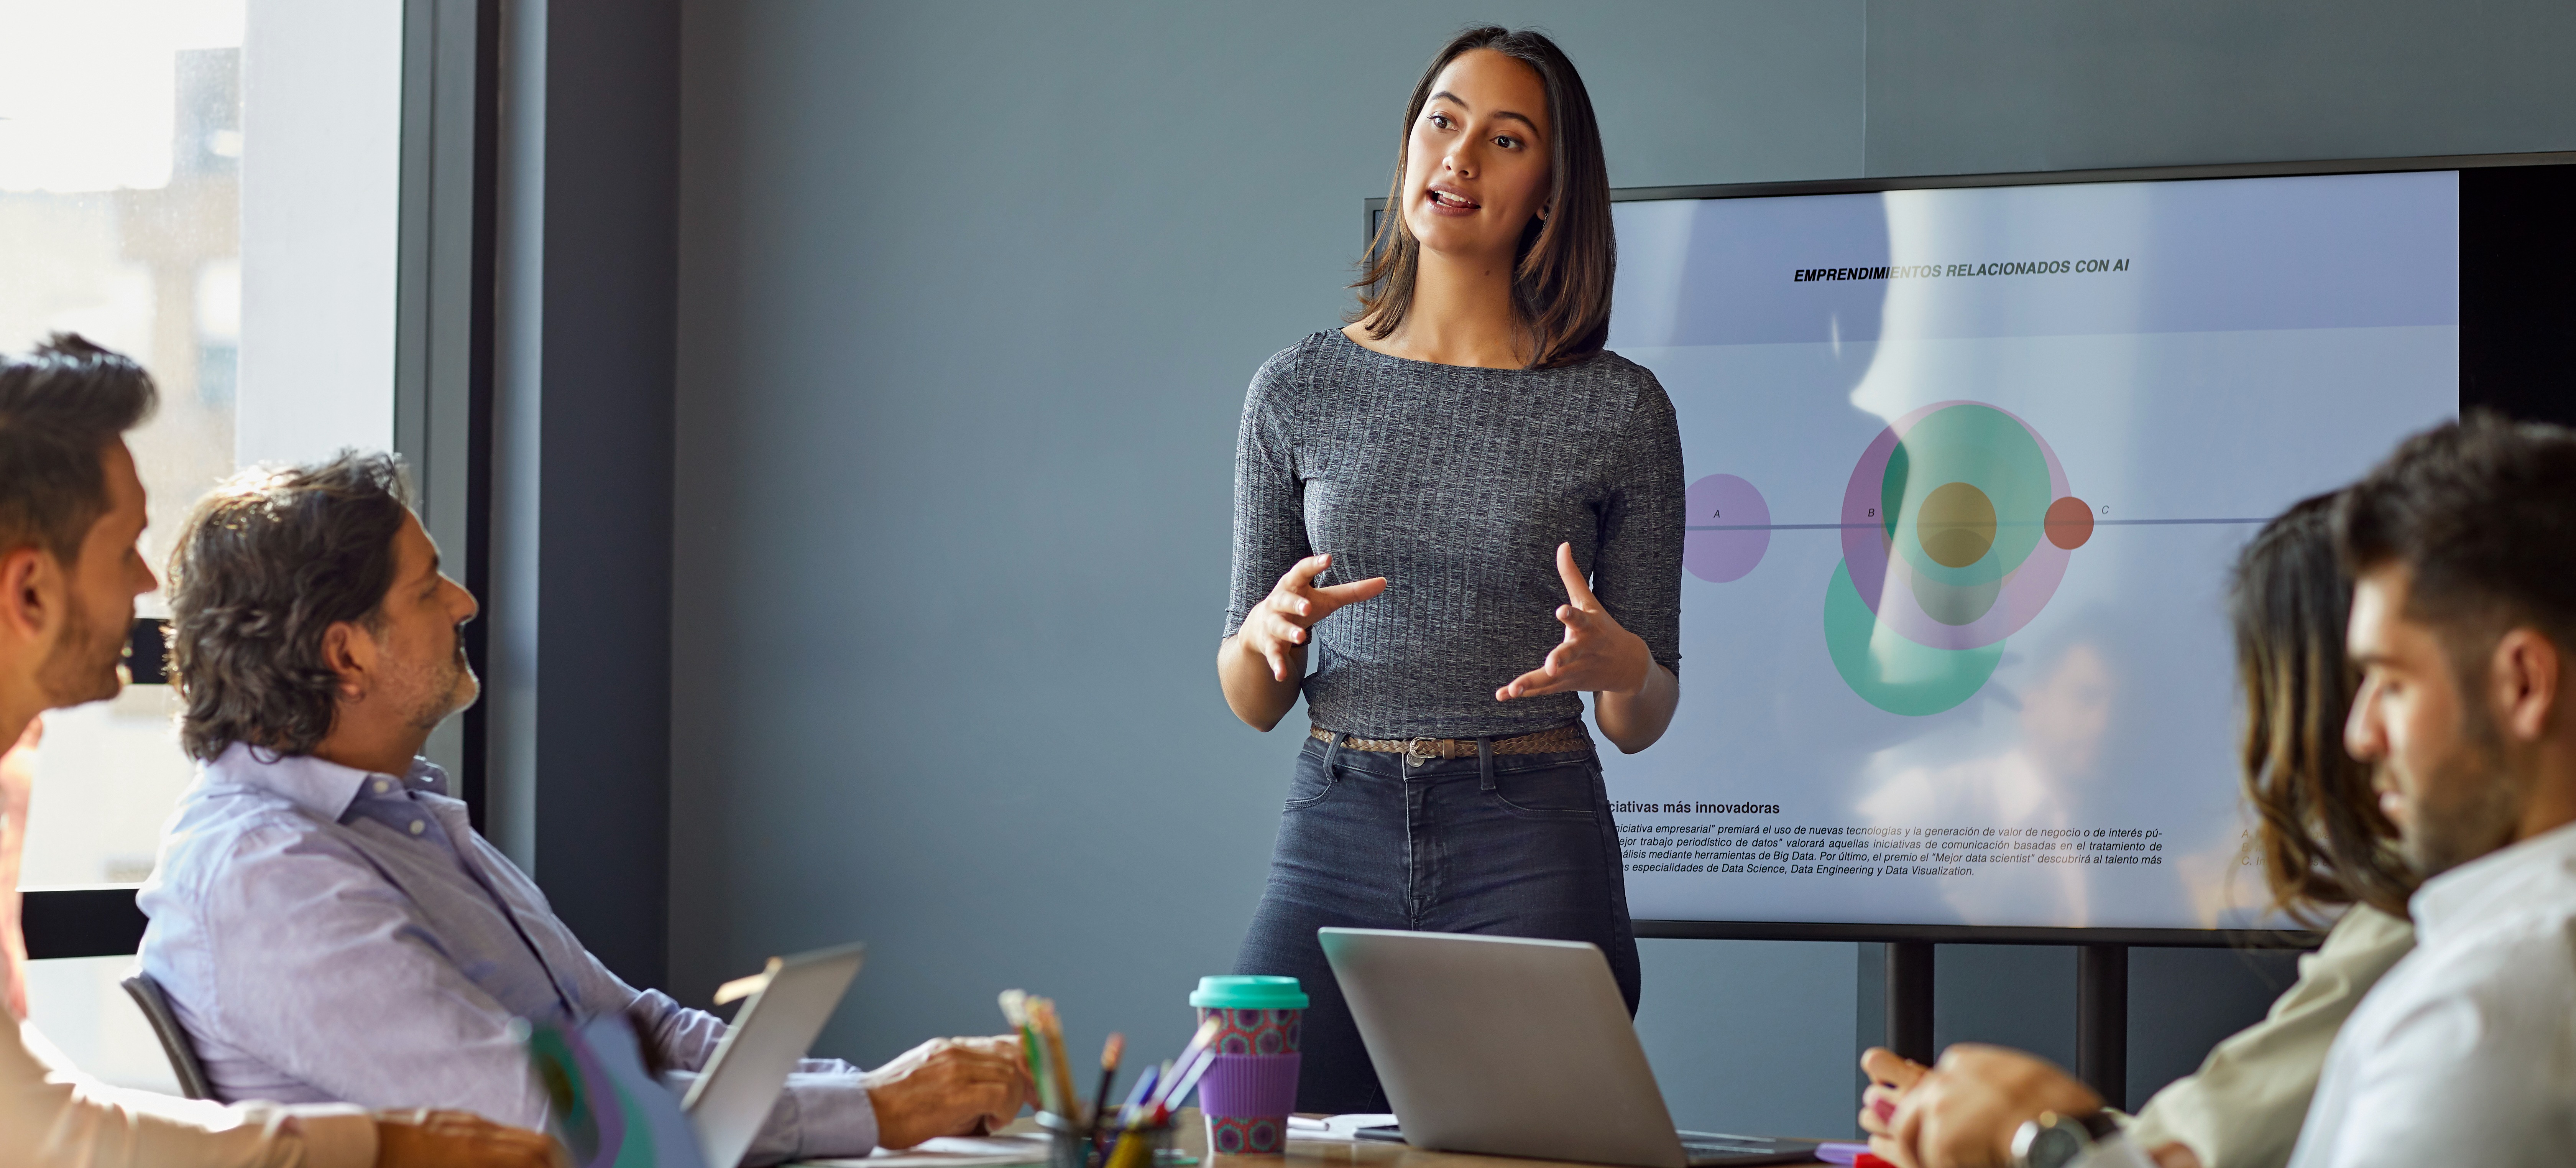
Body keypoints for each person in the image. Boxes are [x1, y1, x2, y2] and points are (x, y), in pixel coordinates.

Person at [135, 452, 1032, 1165]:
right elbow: (549, 1115)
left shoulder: (401, 815)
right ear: (347, 655)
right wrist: (874, 1108)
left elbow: (633, 1026)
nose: (465, 602)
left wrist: (884, 1092)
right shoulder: (267, 876)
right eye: (427, 586)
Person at [1218, 26, 1682, 1111]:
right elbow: (1250, 701)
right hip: (1338, 815)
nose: (1462, 156)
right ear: (1410, 149)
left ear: (1551, 192)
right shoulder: (1296, 389)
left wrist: (1622, 662)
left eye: (1506, 138)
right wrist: (1267, 635)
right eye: (1444, 120)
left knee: (1525, 1145)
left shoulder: (1619, 407)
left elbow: (1642, 715)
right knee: (1258, 1128)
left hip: (1529, 825)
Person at [0, 334, 556, 1167]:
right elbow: (48, 1133)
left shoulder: (18, 762)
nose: (148, 585)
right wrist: (379, 1143)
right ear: (32, 591)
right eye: (124, 550)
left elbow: (31, 1108)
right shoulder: (264, 862)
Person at [1857, 493, 2419, 1168]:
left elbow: (2202, 1153)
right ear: (2032, 697)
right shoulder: (1931, 800)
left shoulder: (2419, 923)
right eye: (2085, 698)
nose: (2104, 726)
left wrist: (2033, 1136)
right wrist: (2011, 1119)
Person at [2285, 415, 2576, 1165]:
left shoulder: (2476, 1015)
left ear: (2523, 683)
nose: (2360, 733)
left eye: (2393, 681)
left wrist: (2048, 1145)